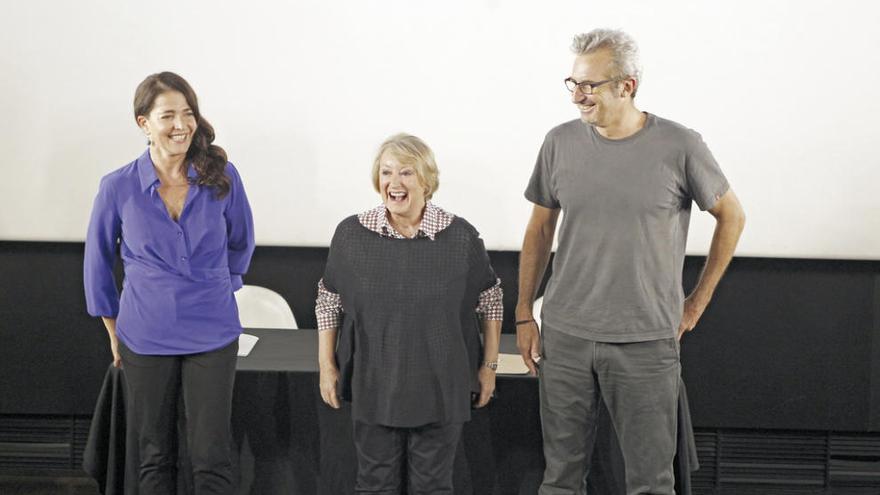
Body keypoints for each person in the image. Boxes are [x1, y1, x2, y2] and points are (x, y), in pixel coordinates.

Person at [516, 29, 746, 495]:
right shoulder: (559, 142)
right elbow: (540, 230)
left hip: (645, 341)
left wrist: (696, 303)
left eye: (590, 85)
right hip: (566, 337)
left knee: (649, 483)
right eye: (573, 83)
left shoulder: (680, 145)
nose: (578, 96)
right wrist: (524, 312)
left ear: (628, 85)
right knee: (559, 479)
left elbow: (732, 217)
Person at [83, 71, 255, 495]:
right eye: (168, 115)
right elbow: (97, 265)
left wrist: (214, 287)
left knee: (211, 457)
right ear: (144, 123)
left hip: (213, 334)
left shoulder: (223, 176)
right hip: (145, 335)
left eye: (188, 113)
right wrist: (113, 331)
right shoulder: (117, 186)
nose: (181, 124)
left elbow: (241, 241)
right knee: (154, 457)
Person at [315, 133, 503, 494]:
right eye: (386, 173)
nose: (394, 183)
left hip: (441, 386)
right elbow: (329, 299)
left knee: (432, 487)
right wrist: (327, 366)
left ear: (426, 180)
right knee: (374, 485)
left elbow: (490, 297)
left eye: (406, 173)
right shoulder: (352, 234)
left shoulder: (460, 236)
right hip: (373, 383)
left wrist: (488, 366)